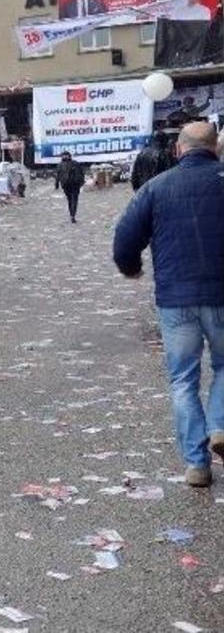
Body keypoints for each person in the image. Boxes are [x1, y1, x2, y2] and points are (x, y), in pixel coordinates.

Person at [113, 121, 224, 487]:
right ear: (216, 148)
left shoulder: (156, 188)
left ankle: (196, 465)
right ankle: (220, 424)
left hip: (176, 299)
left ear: (178, 149)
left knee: (183, 380)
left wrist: (131, 268)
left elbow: (125, 239)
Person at [54, 152, 85, 223]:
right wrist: (57, 184)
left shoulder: (72, 164)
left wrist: (57, 184)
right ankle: (72, 214)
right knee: (72, 200)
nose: (65, 157)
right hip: (69, 185)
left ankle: (72, 214)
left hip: (72, 184)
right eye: (64, 156)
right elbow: (58, 175)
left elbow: (81, 173)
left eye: (66, 156)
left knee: (72, 200)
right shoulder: (62, 165)